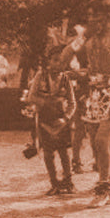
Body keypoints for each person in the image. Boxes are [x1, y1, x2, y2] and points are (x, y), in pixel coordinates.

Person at [62, 0, 110, 207]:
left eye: (98, 17)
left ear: (109, 16)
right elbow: (63, 58)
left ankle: (102, 188)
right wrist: (79, 40)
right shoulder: (88, 39)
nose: (94, 22)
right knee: (96, 143)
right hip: (93, 95)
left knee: (102, 139)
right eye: (91, 18)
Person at [23, 43, 78, 195]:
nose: (57, 64)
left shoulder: (66, 79)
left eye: (61, 61)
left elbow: (73, 103)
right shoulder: (40, 76)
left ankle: (68, 181)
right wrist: (46, 102)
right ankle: (54, 183)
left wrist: (66, 118)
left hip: (61, 120)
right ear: (48, 61)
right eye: (54, 60)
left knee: (64, 152)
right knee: (48, 153)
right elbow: (31, 96)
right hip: (44, 119)